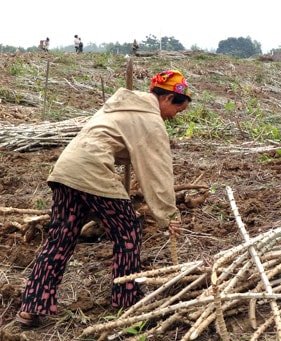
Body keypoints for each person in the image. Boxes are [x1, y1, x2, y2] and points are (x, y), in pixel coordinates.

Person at [15, 69, 192, 327]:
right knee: (128, 231)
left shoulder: (122, 105)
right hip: (92, 171)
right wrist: (168, 215)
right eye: (178, 110)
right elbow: (158, 172)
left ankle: (32, 306)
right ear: (166, 99)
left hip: (66, 171)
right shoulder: (150, 121)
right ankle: (126, 301)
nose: (175, 116)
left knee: (61, 239)